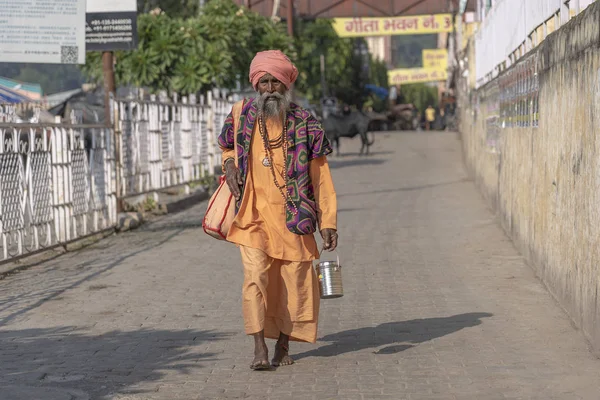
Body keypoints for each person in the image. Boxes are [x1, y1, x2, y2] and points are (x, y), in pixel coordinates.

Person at [218, 50, 338, 370]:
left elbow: (321, 177)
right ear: (256, 85)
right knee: (254, 278)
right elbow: (227, 146)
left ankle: (283, 344)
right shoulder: (241, 115)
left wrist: (328, 221)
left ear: (286, 85)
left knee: (294, 284)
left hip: (294, 218)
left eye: (276, 82)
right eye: (264, 82)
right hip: (252, 217)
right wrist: (229, 164)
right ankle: (258, 347)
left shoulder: (306, 124)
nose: (270, 89)